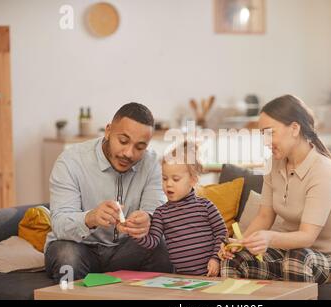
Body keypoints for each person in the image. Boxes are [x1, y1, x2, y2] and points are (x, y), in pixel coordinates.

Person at [219, 95, 331, 284]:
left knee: (296, 259)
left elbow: (307, 237)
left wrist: (268, 238)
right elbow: (265, 216)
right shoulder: (273, 164)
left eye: (270, 133)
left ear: (294, 128)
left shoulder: (322, 170)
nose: (266, 142)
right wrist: (239, 244)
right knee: (234, 260)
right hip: (290, 254)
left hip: (330, 259)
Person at [45, 102, 172, 283]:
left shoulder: (152, 164)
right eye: (123, 141)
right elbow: (59, 223)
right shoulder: (71, 161)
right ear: (108, 131)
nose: (129, 153)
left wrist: (148, 220)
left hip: (125, 252)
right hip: (80, 248)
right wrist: (91, 218)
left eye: (139, 147)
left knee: (160, 246)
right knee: (67, 255)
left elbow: (156, 212)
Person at [119, 141, 227, 276]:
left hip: (212, 275)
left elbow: (222, 233)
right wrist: (134, 232)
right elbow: (152, 242)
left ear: (193, 180)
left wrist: (215, 258)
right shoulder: (161, 213)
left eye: (175, 179)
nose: (168, 184)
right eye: (164, 178)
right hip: (183, 279)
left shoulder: (206, 206)